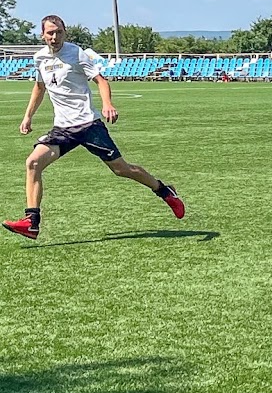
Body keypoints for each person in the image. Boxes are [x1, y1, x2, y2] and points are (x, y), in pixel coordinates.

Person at [2, 15, 184, 240]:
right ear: (42, 35)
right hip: (63, 129)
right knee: (33, 162)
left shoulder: (76, 53)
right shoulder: (39, 58)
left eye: (58, 32)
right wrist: (27, 116)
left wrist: (107, 104)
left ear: (65, 32)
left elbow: (101, 80)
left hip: (88, 124)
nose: (54, 36)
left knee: (121, 169)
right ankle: (31, 222)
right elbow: (39, 88)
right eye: (50, 33)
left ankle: (164, 191)